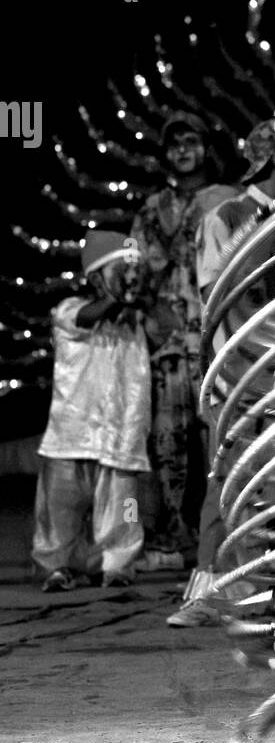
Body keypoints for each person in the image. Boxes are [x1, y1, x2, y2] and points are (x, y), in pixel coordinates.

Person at [168, 117, 275, 626]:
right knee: (229, 480)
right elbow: (217, 299)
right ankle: (210, 593)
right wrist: (242, 370)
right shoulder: (227, 217)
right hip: (241, 372)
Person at [131, 112, 236, 570]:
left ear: (206, 148)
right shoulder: (153, 208)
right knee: (169, 441)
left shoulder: (228, 201)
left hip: (219, 336)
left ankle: (229, 538)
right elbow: (137, 269)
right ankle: (175, 536)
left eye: (190, 141)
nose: (182, 152)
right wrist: (152, 313)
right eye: (174, 145)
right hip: (170, 341)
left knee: (220, 438)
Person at [33, 232, 149, 591]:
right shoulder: (69, 310)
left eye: (134, 271)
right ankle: (57, 567)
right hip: (71, 434)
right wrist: (117, 297)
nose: (129, 278)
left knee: (125, 509)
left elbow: (171, 325)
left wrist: (143, 296)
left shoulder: (136, 319)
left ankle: (118, 566)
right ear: (97, 276)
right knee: (61, 512)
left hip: (121, 435)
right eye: (120, 271)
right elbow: (87, 317)